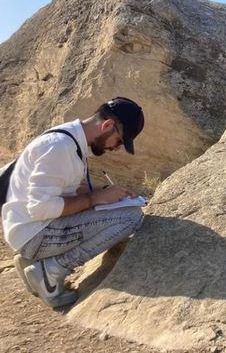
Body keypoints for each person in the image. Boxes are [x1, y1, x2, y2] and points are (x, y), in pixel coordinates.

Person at [2, 97, 145, 307]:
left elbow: (62, 188)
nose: (116, 148)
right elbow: (41, 207)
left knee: (120, 208)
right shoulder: (59, 147)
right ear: (107, 125)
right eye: (120, 141)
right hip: (34, 234)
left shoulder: (69, 139)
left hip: (27, 230)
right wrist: (93, 199)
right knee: (131, 218)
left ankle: (32, 262)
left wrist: (107, 191)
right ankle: (50, 271)